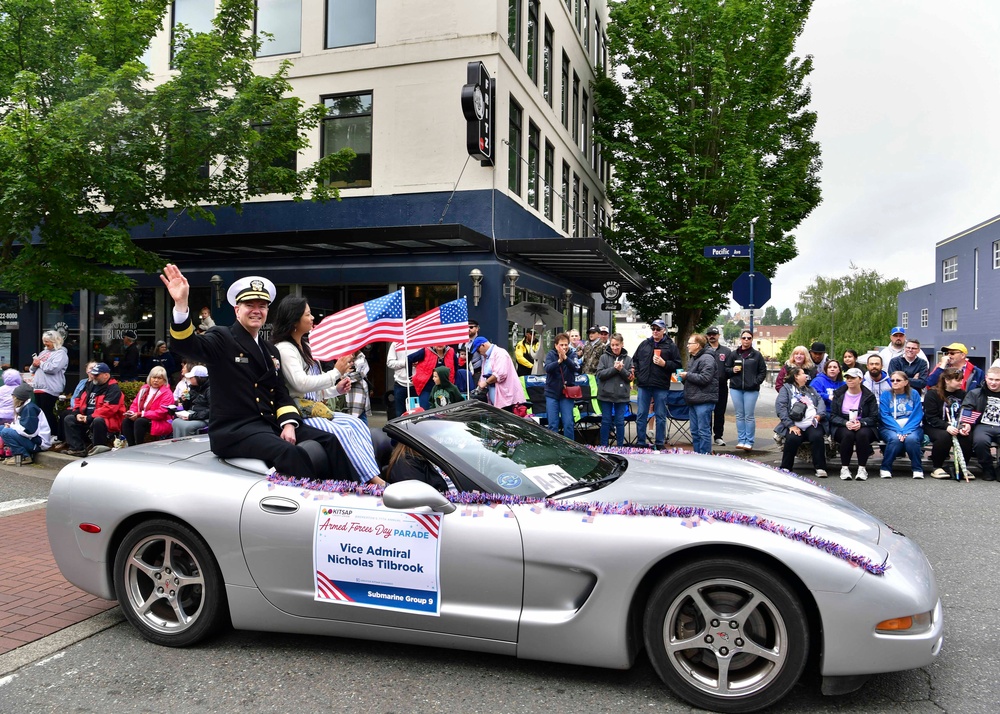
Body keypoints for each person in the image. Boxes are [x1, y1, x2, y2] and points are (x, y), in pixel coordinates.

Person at [161, 265, 371, 482]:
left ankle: (348, 493)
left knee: (331, 440)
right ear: (236, 309)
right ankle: (315, 503)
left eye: (262, 306)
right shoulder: (222, 337)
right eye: (249, 305)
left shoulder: (270, 350)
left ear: (267, 311)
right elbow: (186, 345)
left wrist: (289, 423)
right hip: (234, 431)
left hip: (267, 426)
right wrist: (180, 304)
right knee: (289, 453)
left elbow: (280, 393)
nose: (256, 310)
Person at [269, 295, 382, 484]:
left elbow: (315, 390)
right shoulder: (284, 349)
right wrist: (336, 372)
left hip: (314, 408)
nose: (313, 318)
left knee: (357, 424)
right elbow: (301, 384)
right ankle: (368, 480)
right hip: (300, 414)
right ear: (295, 319)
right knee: (342, 432)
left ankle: (373, 473)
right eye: (308, 314)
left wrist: (336, 389)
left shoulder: (304, 346)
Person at [633, 319, 681, 450]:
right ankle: (641, 442)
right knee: (641, 414)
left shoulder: (670, 345)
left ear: (664, 330)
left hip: (661, 385)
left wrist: (664, 364)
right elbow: (635, 360)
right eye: (653, 329)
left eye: (658, 329)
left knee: (660, 415)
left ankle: (659, 443)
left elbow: (678, 365)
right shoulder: (644, 344)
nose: (655, 331)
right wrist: (638, 374)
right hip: (644, 384)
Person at [62, 362, 125, 457]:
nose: (93, 376)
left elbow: (109, 409)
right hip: (87, 417)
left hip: (108, 420)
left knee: (98, 420)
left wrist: (90, 417)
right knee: (69, 418)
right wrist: (77, 414)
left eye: (97, 375)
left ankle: (99, 451)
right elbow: (78, 400)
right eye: (93, 374)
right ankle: (77, 449)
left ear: (106, 375)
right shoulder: (90, 385)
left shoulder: (113, 388)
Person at [774, 366, 827, 477]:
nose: (806, 376)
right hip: (794, 424)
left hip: (812, 423)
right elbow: (781, 408)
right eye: (803, 374)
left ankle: (820, 467)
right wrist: (790, 425)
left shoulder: (810, 389)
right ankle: (786, 467)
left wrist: (819, 415)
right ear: (796, 377)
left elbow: (820, 401)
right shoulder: (786, 389)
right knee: (792, 438)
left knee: (817, 436)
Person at [828, 367, 880, 481]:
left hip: (864, 423)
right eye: (847, 377)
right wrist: (845, 422)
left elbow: (874, 417)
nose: (849, 380)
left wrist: (861, 423)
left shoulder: (869, 396)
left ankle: (862, 468)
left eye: (852, 378)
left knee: (862, 435)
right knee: (848, 435)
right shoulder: (838, 394)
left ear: (860, 379)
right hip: (843, 423)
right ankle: (845, 468)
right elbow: (832, 416)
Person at [923, 368, 972, 479]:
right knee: (944, 436)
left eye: (961, 380)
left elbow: (966, 411)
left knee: (966, 436)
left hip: (956, 424)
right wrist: (946, 426)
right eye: (957, 380)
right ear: (947, 380)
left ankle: (962, 466)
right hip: (934, 425)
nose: (961, 383)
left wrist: (965, 425)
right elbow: (931, 417)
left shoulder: (963, 394)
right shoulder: (932, 394)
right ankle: (937, 466)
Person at [725, 329, 768, 451]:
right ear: (740, 339)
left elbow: (762, 371)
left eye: (749, 338)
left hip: (751, 389)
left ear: (752, 340)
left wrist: (756, 382)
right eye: (744, 338)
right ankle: (741, 440)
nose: (746, 340)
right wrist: (732, 370)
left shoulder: (756, 355)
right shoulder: (734, 354)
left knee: (748, 415)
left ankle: (749, 441)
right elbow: (726, 369)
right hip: (736, 388)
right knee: (739, 415)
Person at [879, 371, 924, 479]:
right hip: (890, 426)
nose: (894, 382)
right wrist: (899, 430)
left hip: (911, 426)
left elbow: (917, 414)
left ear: (906, 382)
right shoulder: (886, 394)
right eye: (892, 380)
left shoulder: (914, 394)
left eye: (898, 380)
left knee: (911, 439)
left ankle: (917, 469)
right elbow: (884, 415)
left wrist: (906, 430)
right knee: (895, 439)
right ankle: (885, 468)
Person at [959, 366, 1000, 482]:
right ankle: (987, 468)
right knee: (980, 442)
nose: (993, 383)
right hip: (983, 425)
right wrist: (966, 423)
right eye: (991, 379)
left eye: (997, 380)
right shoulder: (976, 393)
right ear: (986, 378)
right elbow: (967, 408)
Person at [679, 334, 718, 455]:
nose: (687, 345)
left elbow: (705, 378)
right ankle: (697, 456)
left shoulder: (707, 358)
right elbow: (694, 378)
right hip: (694, 399)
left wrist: (687, 375)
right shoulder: (694, 358)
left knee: (703, 431)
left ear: (697, 345)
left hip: (704, 400)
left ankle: (704, 457)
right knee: (695, 432)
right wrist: (683, 378)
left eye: (690, 343)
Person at [29, 329, 69, 440]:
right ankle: (44, 434)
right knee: (40, 413)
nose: (45, 343)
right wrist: (35, 364)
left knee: (47, 412)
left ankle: (54, 434)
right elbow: (32, 369)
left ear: (56, 341)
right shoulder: (43, 352)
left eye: (48, 341)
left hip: (50, 388)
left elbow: (53, 368)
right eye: (44, 341)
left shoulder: (61, 354)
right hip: (38, 387)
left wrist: (40, 363)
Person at [595, 333, 633, 447]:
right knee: (606, 421)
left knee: (620, 422)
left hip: (621, 395)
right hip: (605, 394)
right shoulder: (603, 357)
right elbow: (600, 374)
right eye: (612, 345)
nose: (615, 347)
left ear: (622, 344)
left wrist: (621, 369)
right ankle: (604, 446)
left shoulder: (628, 359)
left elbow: (630, 377)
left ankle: (620, 446)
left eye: (617, 345)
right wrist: (614, 369)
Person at [121, 366, 175, 446]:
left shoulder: (167, 393)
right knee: (126, 421)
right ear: (150, 378)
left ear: (164, 380)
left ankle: (139, 446)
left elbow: (162, 413)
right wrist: (132, 412)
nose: (156, 380)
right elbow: (135, 404)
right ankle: (131, 446)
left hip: (160, 421)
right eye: (154, 377)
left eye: (159, 378)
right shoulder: (144, 388)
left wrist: (141, 414)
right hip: (144, 418)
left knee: (139, 421)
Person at [0, 383, 51, 465]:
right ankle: (16, 454)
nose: (12, 399)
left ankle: (23, 456)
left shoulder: (29, 409)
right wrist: (11, 426)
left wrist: (12, 427)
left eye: (13, 397)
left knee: (5, 432)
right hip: (33, 440)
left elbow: (29, 432)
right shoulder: (25, 407)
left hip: (38, 443)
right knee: (2, 428)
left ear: (18, 398)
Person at [474, 336, 526, 411]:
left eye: (478, 350)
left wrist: (485, 383)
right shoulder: (486, 357)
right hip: (495, 401)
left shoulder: (500, 353)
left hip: (507, 399)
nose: (479, 353)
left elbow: (500, 374)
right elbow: (483, 374)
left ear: (483, 345)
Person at [543, 332, 579, 439]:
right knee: (553, 424)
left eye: (566, 344)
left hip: (567, 394)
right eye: (561, 345)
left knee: (568, 423)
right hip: (552, 393)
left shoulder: (573, 354)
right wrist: (559, 361)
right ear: (556, 345)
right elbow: (547, 368)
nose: (564, 347)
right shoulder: (550, 354)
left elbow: (576, 367)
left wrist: (566, 359)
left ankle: (570, 449)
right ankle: (553, 449)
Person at [409, 345, 460, 410]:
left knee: (444, 413)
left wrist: (454, 383)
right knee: (426, 412)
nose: (440, 344)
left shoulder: (451, 351)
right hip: (426, 388)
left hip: (445, 389)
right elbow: (409, 359)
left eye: (442, 342)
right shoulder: (426, 350)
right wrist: (410, 377)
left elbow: (456, 369)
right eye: (437, 342)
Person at [706, 327, 731, 446]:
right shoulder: (703, 350)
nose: (712, 336)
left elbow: (729, 367)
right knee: (706, 411)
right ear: (707, 336)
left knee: (720, 412)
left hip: (721, 386)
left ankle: (718, 436)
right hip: (706, 386)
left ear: (718, 335)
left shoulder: (726, 351)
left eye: (714, 334)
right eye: (710, 334)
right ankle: (706, 435)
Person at [172, 365, 212, 437]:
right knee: (175, 422)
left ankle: (189, 446)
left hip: (205, 418)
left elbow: (211, 410)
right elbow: (187, 407)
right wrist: (186, 400)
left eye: (191, 378)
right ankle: (179, 445)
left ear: (199, 378)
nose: (189, 379)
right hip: (193, 414)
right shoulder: (194, 388)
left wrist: (191, 416)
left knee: (187, 427)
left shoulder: (210, 390)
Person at [386, 342, 415, 417]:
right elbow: (390, 362)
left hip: (417, 384)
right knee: (399, 414)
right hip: (400, 383)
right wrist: (406, 362)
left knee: (416, 414)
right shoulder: (395, 343)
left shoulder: (419, 341)